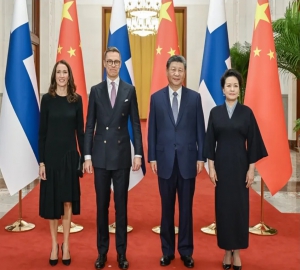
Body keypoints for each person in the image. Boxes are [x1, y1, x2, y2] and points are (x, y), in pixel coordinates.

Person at [84, 46, 143, 270]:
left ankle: (121, 253)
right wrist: (87, 155)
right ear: (104, 63)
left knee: (121, 207)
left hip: (120, 157)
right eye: (109, 61)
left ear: (121, 64)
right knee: (101, 207)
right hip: (99, 157)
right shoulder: (96, 90)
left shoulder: (129, 90)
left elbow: (136, 124)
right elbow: (90, 125)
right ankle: (102, 252)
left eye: (116, 62)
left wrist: (138, 152)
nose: (113, 65)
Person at [203, 69, 268, 270]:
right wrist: (211, 168)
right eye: (228, 85)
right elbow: (209, 143)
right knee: (223, 210)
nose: (232, 89)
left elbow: (254, 143)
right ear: (223, 90)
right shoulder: (215, 113)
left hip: (241, 168)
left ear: (239, 90)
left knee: (239, 210)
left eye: (235, 86)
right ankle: (226, 250)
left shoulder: (247, 113)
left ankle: (237, 251)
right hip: (221, 168)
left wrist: (251, 170)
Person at [148, 55, 206, 268]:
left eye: (180, 70)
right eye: (173, 69)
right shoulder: (156, 98)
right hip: (164, 161)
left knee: (186, 210)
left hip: (188, 161)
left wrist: (201, 157)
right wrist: (151, 156)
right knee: (166, 209)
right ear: (167, 71)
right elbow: (152, 130)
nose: (176, 73)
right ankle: (167, 251)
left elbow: (201, 129)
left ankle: (186, 251)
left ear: (184, 73)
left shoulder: (194, 98)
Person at [39, 60, 84, 266]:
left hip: (69, 158)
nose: (62, 75)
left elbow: (81, 132)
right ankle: (53, 245)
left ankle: (66, 245)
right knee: (52, 203)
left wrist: (84, 157)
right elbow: (42, 133)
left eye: (65, 72)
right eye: (58, 72)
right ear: (54, 75)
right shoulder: (47, 100)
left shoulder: (77, 100)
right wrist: (41, 162)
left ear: (69, 75)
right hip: (51, 158)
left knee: (67, 201)